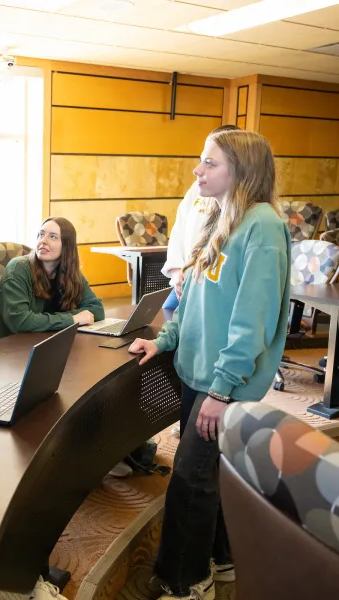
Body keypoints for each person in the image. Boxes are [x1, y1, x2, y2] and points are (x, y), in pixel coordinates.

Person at [128, 130, 291, 600]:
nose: (197, 171)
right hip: (198, 374)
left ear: (240, 171)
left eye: (209, 163)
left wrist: (221, 391)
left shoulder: (261, 225)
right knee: (208, 477)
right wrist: (163, 340)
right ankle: (222, 562)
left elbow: (252, 320)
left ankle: (185, 582)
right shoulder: (221, 219)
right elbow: (193, 301)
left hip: (223, 385)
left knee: (189, 482)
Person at [161, 125, 241, 311]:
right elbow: (178, 231)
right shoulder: (196, 190)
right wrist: (176, 272)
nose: (198, 170)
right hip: (184, 279)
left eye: (210, 162)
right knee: (166, 317)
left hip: (211, 285)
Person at [0, 217, 104, 341]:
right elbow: (20, 321)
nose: (43, 240)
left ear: (67, 246)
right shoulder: (18, 268)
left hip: (48, 343)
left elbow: (97, 309)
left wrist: (57, 320)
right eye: (41, 234)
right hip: (10, 348)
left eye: (53, 237)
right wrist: (72, 319)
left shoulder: (70, 272)